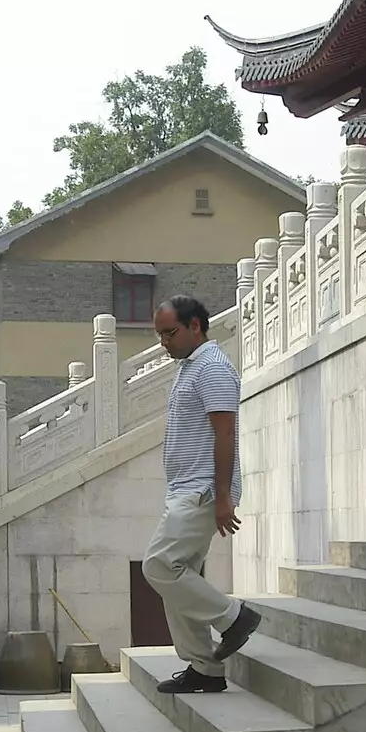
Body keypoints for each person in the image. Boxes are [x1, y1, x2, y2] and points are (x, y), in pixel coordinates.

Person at [142, 295, 260, 695]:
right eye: (160, 335)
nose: (164, 343)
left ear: (196, 326)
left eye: (170, 333)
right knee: (179, 576)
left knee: (158, 566)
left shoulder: (211, 368)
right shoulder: (190, 367)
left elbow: (226, 433)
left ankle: (233, 617)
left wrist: (223, 495)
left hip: (201, 491)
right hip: (185, 489)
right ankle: (205, 669)